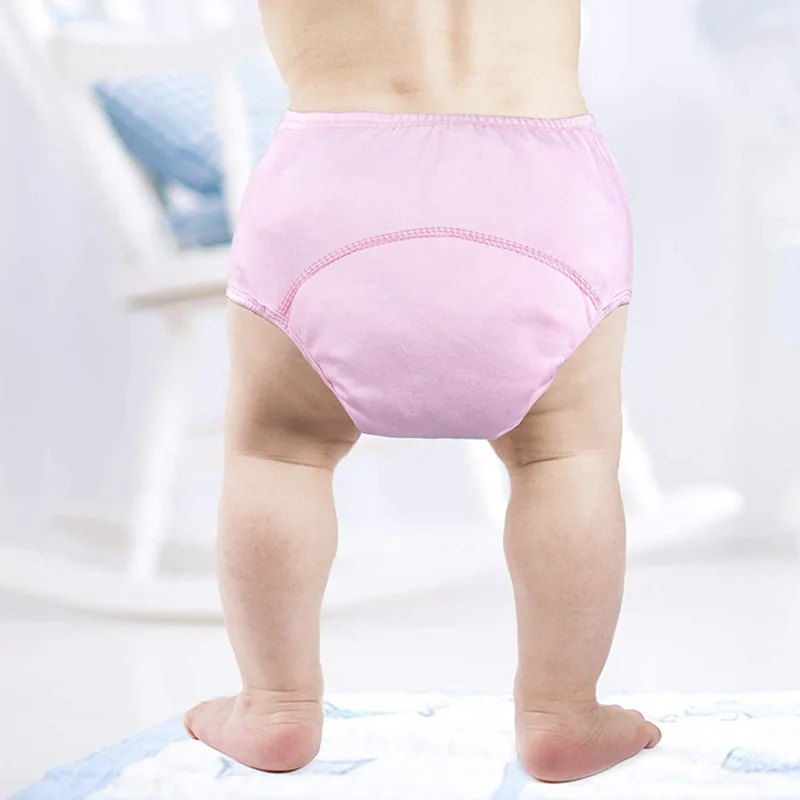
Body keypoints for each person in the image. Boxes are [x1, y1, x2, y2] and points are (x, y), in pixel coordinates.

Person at [184, 0, 662, 783]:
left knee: (282, 452)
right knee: (563, 455)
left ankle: (274, 703)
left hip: (335, 181)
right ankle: (562, 711)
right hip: (543, 190)